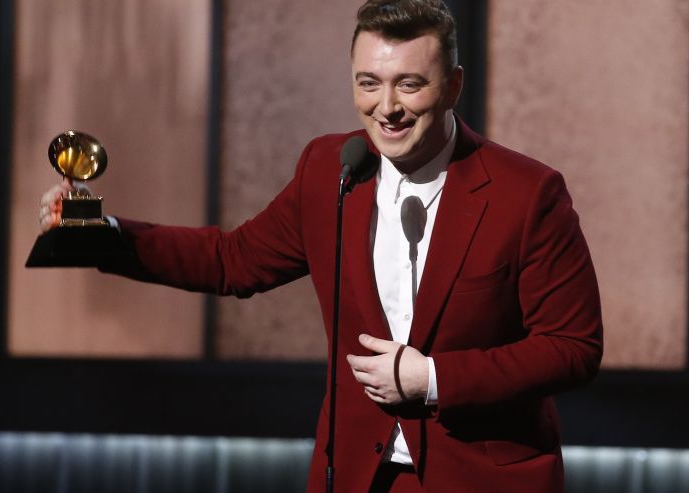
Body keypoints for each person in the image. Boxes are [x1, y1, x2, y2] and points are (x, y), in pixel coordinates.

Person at [40, 1, 603, 491]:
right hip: (359, 475)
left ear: (453, 85)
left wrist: (433, 379)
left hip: (480, 479)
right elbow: (232, 262)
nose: (388, 107)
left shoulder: (526, 194)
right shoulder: (331, 170)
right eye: (368, 83)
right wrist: (102, 233)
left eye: (410, 83)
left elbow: (573, 346)